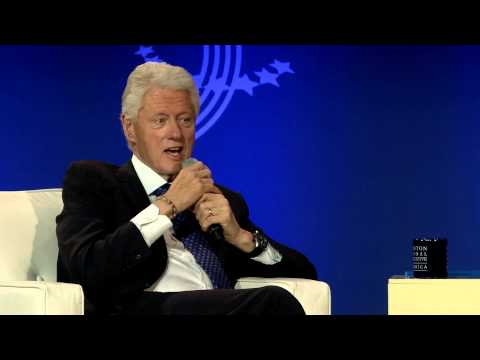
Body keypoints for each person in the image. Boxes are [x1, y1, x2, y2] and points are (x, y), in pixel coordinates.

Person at [56, 61, 317, 315]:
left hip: (219, 304)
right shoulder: (94, 181)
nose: (176, 134)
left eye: (185, 120)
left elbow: (304, 273)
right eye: (160, 121)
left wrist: (241, 237)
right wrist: (168, 205)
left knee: (275, 301)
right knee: (271, 302)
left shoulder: (220, 199)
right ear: (129, 127)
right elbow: (85, 267)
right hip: (141, 306)